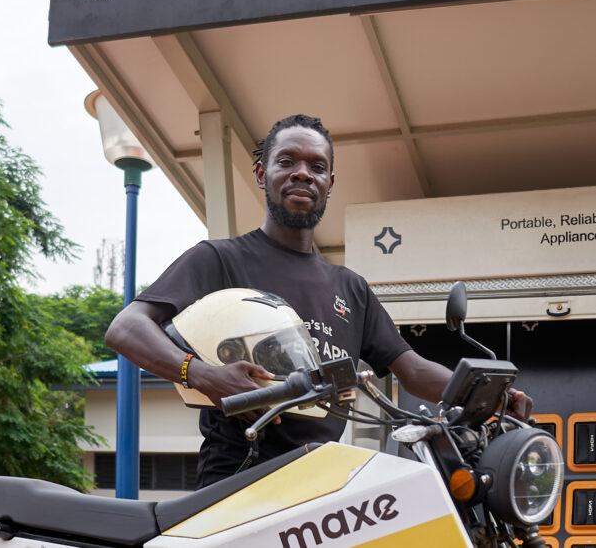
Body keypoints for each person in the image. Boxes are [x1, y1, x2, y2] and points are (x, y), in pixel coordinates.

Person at [105, 114, 533, 488]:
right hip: (236, 480)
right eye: (286, 161)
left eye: (317, 166)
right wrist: (199, 374)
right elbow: (126, 328)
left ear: (330, 183)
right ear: (260, 173)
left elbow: (413, 369)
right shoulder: (219, 259)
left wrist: (489, 394)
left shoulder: (351, 288)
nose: (302, 174)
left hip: (323, 484)